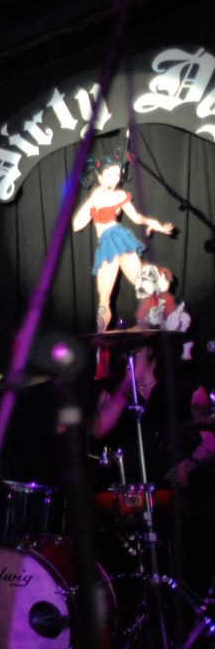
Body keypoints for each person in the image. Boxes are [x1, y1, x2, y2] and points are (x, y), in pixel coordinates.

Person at [92, 343, 215, 604]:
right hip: (128, 488)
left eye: (137, 346)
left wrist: (187, 465)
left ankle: (191, 602)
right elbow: (98, 433)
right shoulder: (117, 393)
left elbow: (210, 439)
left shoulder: (186, 388)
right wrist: (121, 392)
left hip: (173, 488)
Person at [72, 157, 174, 332]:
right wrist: (93, 198)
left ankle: (158, 320)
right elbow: (76, 225)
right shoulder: (95, 198)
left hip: (121, 239)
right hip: (107, 245)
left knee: (143, 283)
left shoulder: (119, 195)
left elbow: (136, 217)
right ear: (100, 177)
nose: (114, 178)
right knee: (104, 297)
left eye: (117, 174)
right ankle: (101, 336)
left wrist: (154, 224)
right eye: (109, 175)